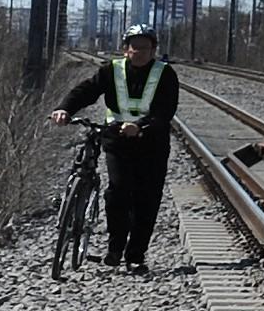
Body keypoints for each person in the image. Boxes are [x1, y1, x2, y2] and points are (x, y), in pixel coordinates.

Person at [55, 24, 179, 273]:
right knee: (118, 192)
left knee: (146, 199)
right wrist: (65, 108)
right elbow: (87, 91)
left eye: (146, 47)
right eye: (135, 47)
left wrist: (141, 126)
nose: (140, 52)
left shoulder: (165, 74)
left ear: (154, 50)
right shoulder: (111, 70)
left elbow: (165, 111)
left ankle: (135, 255)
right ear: (125, 50)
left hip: (151, 144)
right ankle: (114, 249)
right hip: (117, 141)